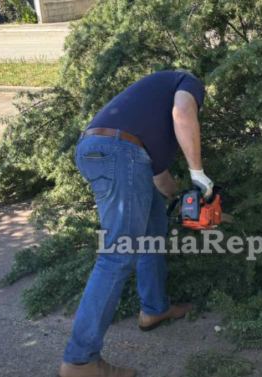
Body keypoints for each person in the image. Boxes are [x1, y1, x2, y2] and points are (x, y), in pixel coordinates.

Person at [59, 70, 214, 377]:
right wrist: (198, 173)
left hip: (106, 150)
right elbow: (182, 111)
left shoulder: (146, 127)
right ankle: (80, 360)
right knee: (117, 255)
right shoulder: (187, 81)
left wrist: (190, 201)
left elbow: (162, 181)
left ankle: (154, 309)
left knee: (154, 229)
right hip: (118, 152)